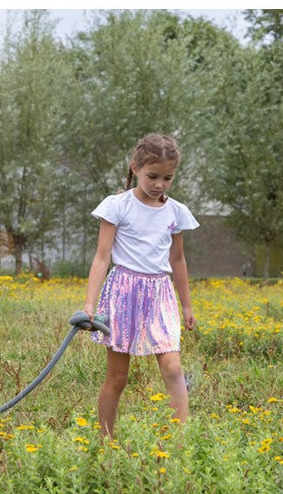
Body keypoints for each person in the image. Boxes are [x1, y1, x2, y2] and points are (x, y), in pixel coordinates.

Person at [83, 133, 199, 438]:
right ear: (134, 168)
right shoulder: (117, 206)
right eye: (152, 176)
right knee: (118, 377)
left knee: (173, 368)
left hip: (160, 294)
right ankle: (106, 440)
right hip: (122, 293)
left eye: (167, 178)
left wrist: (187, 305)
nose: (159, 184)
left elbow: (179, 261)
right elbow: (101, 257)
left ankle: (179, 441)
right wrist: (89, 305)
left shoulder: (176, 213)